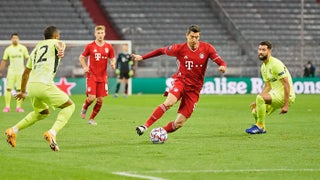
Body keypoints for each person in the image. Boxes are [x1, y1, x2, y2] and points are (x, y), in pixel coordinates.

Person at [132, 25, 227, 136]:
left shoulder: (207, 48)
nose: (194, 40)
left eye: (197, 37)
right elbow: (161, 51)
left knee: (179, 123)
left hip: (194, 89)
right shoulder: (179, 49)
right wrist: (142, 57)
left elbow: (220, 61)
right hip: (181, 81)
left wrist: (222, 67)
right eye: (192, 37)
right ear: (186, 35)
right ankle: (145, 126)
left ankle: (160, 132)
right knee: (169, 102)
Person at [4, 26, 75, 151]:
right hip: (44, 84)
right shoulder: (56, 42)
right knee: (69, 106)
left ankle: (13, 130)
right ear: (56, 36)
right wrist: (61, 49)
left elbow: (26, 73)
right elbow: (60, 44)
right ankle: (52, 133)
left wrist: (22, 91)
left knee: (42, 113)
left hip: (32, 86)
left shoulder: (36, 49)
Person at [245, 41, 295, 134]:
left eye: (263, 50)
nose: (261, 52)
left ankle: (259, 126)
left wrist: (286, 105)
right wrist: (257, 101)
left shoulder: (276, 64)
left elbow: (286, 84)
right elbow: (268, 86)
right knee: (255, 111)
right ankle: (262, 127)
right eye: (259, 49)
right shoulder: (263, 67)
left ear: (269, 51)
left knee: (260, 98)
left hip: (285, 96)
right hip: (275, 94)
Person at [79, 25, 116, 125]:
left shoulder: (109, 47)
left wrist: (113, 63)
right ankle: (85, 107)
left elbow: (112, 57)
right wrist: (85, 67)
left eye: (102, 33)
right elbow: (81, 57)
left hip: (103, 77)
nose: (100, 35)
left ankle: (91, 119)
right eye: (98, 33)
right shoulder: (90, 46)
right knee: (91, 98)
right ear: (95, 34)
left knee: (100, 99)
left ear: (104, 34)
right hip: (91, 75)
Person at [0, 33, 29, 112]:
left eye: (16, 38)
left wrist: (29, 70)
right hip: (11, 72)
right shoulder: (8, 49)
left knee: (20, 90)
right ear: (11, 39)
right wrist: (0, 71)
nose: (15, 39)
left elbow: (28, 59)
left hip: (21, 72)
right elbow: (4, 60)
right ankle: (7, 107)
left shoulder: (23, 48)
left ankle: (18, 107)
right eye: (13, 38)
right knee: (8, 89)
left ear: (18, 39)